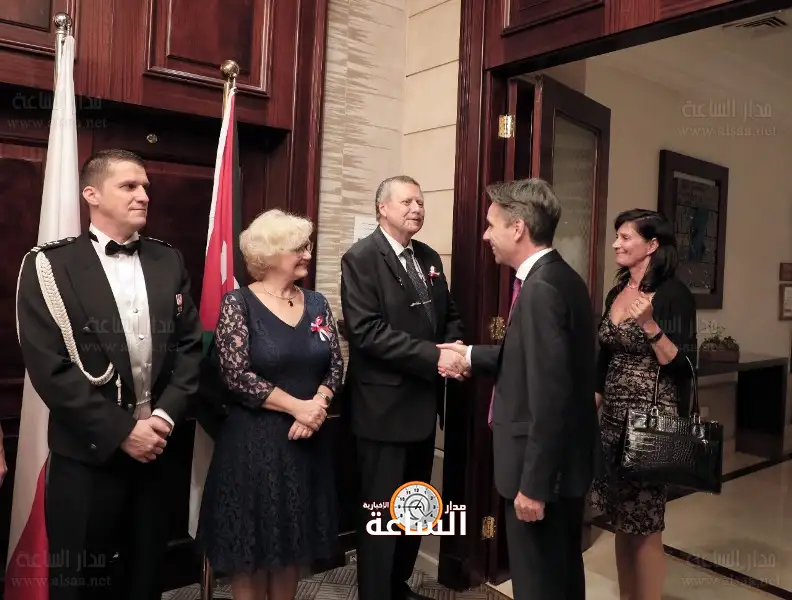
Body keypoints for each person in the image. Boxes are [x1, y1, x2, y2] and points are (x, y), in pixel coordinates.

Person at [15, 149, 203, 600]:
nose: (143, 195)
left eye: (145, 187)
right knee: (79, 583)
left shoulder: (168, 260)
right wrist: (123, 432)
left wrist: (162, 419)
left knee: (146, 579)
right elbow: (48, 367)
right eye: (129, 186)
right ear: (92, 194)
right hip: (87, 456)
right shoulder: (49, 265)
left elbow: (191, 347)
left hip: (157, 450)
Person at [439, 178, 599, 600]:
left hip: (542, 473)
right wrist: (469, 354)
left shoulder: (540, 290)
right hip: (563, 467)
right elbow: (534, 360)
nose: (485, 235)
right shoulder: (562, 277)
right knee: (561, 579)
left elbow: (551, 396)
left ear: (518, 228)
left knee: (539, 585)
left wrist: (535, 485)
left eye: (491, 225)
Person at [196, 209, 343, 600]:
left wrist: (317, 407)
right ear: (272, 253)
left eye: (308, 246)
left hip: (306, 443)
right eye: (299, 248)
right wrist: (298, 407)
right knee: (251, 549)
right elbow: (236, 375)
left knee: (293, 544)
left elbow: (335, 365)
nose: (308, 254)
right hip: (253, 446)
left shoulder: (317, 302)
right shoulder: (238, 303)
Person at [340, 175, 465, 600]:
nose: (417, 209)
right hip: (382, 408)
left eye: (421, 202)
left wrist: (456, 346)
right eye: (407, 202)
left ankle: (399, 585)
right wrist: (434, 356)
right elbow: (367, 332)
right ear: (383, 208)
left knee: (415, 504)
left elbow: (449, 315)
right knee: (380, 514)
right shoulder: (361, 258)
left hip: (424, 405)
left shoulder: (428, 256)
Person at [589, 208, 696, 600]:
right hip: (613, 422)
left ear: (651, 245)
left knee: (646, 526)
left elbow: (685, 367)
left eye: (625, 237)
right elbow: (603, 360)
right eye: (617, 236)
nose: (616, 244)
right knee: (621, 519)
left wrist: (650, 325)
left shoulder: (674, 295)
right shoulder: (617, 291)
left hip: (651, 423)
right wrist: (590, 409)